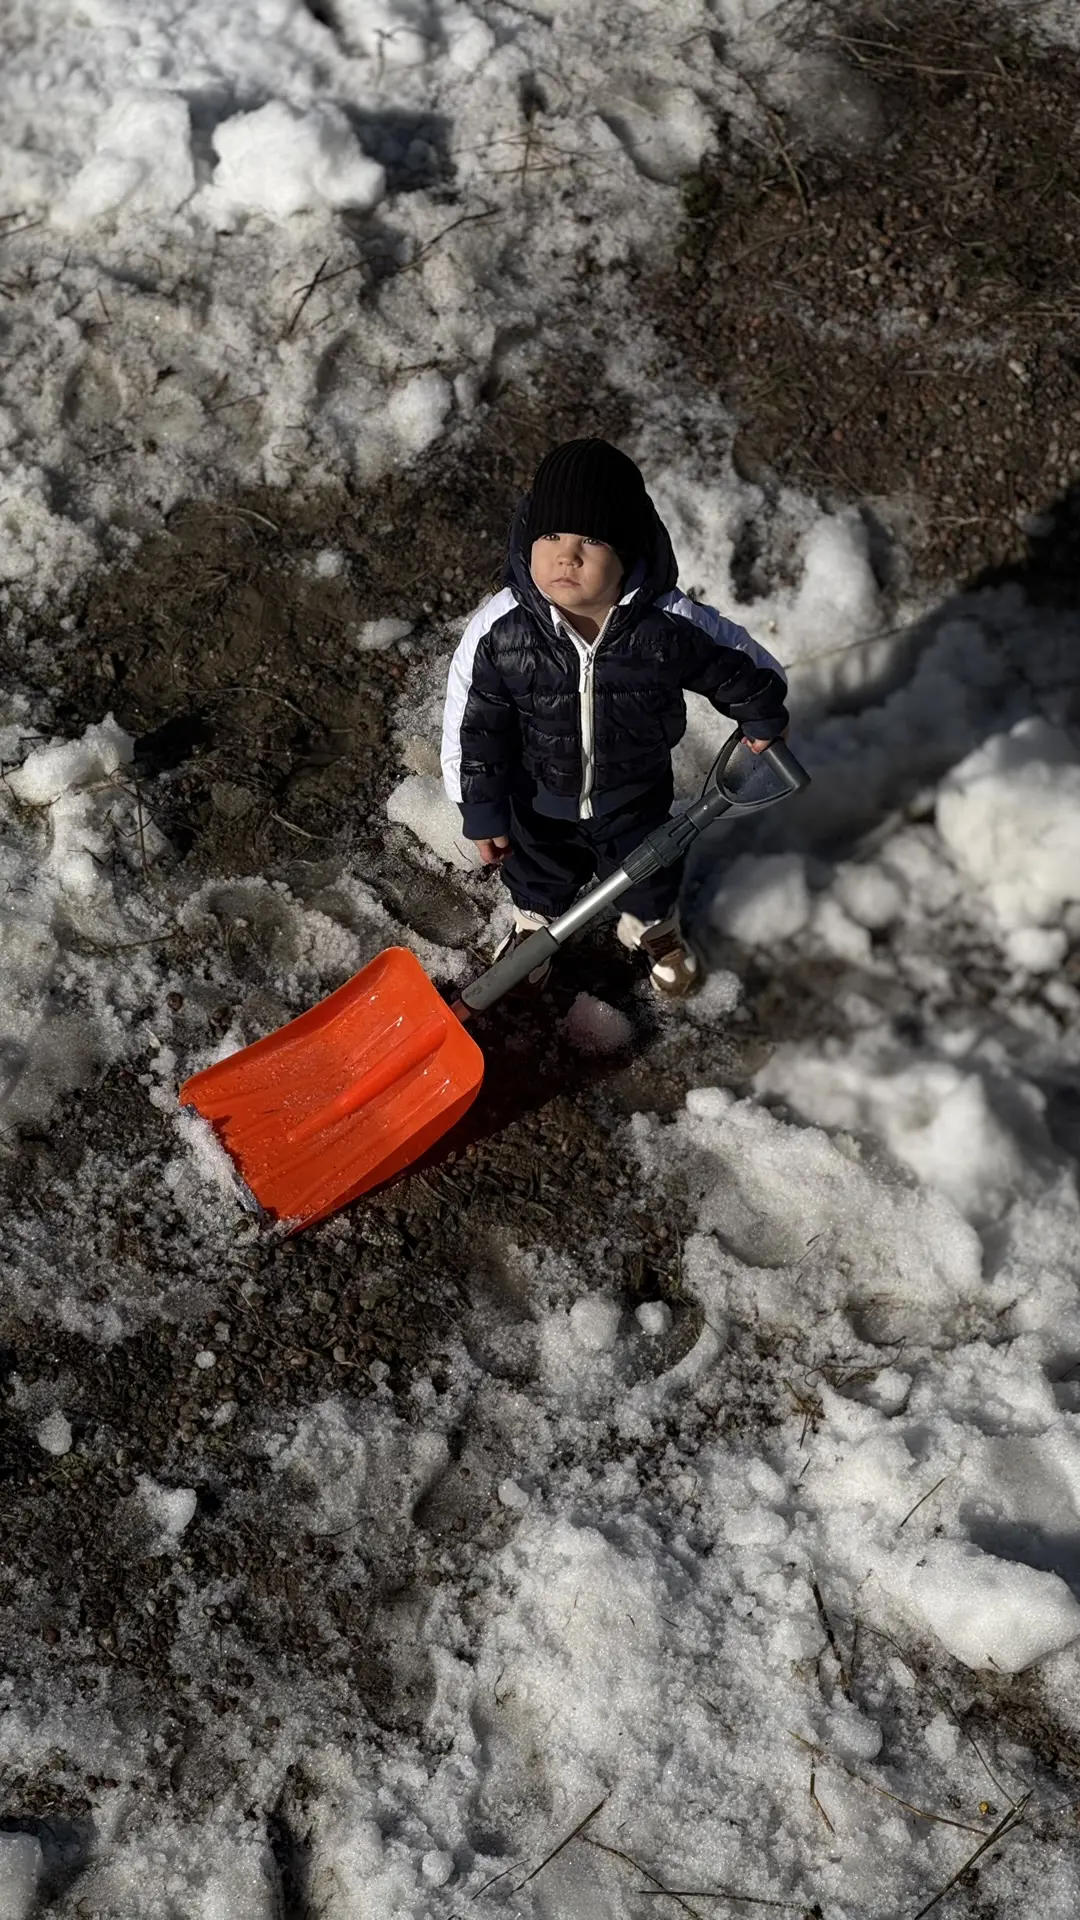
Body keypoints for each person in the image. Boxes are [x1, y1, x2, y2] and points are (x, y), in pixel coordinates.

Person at [440, 438, 789, 997]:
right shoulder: (502, 629)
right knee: (536, 874)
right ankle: (532, 932)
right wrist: (480, 806)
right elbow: (472, 724)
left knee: (649, 874)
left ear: (627, 552)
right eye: (550, 536)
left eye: (592, 540)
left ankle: (658, 933)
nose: (566, 556)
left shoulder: (664, 624)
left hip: (633, 793)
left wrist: (763, 713)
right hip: (536, 797)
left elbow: (737, 664)